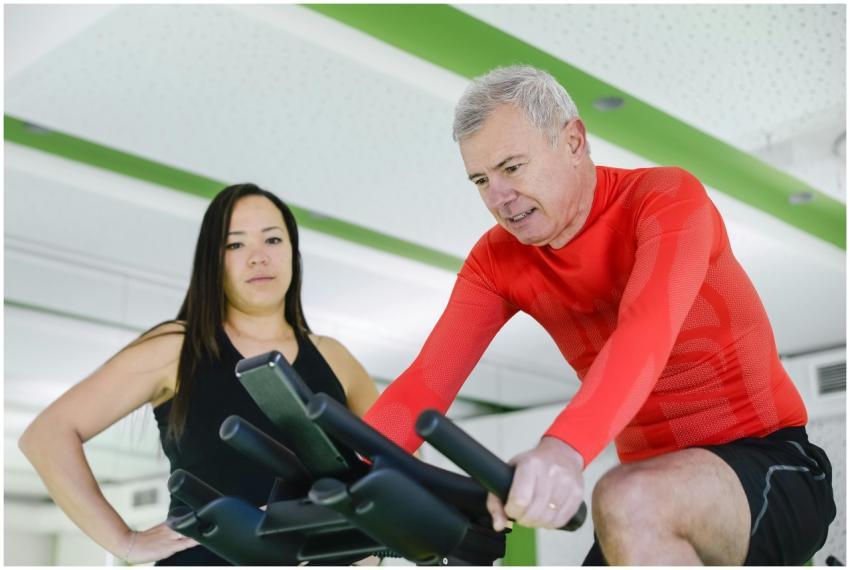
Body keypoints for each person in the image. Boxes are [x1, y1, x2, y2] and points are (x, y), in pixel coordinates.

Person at [362, 65, 836, 565]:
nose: (498, 197)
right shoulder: (495, 260)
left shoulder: (666, 199)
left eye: (512, 168)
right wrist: (342, 468)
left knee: (625, 498)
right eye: (481, 180)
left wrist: (562, 450)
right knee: (630, 499)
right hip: (649, 491)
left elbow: (645, 330)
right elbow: (427, 380)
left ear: (573, 141)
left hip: (772, 464)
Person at [19, 183, 380, 565]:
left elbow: (399, 469)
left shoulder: (334, 358)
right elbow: (47, 436)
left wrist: (370, 550)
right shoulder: (178, 348)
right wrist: (126, 542)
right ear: (213, 260)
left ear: (293, 251)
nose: (258, 257)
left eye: (273, 239)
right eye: (235, 244)